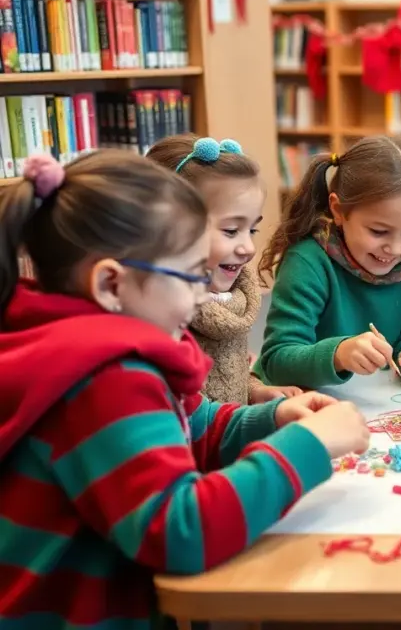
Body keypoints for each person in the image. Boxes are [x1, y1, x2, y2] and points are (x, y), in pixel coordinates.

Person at [0, 152, 369, 629]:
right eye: (191, 275)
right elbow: (183, 532)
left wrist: (273, 420)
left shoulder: (99, 348)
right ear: (111, 283)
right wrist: (309, 446)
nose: (201, 294)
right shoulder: (105, 379)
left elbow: (191, 424)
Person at [256, 136, 401, 388]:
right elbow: (276, 361)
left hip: (377, 406)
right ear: (338, 210)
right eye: (378, 231)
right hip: (306, 405)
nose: (396, 248)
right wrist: (339, 355)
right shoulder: (308, 263)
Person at [147, 133, 301, 404]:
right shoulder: (163, 318)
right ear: (169, 229)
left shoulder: (233, 296)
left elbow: (230, 370)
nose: (249, 248)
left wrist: (255, 392)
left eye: (251, 229)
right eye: (231, 230)